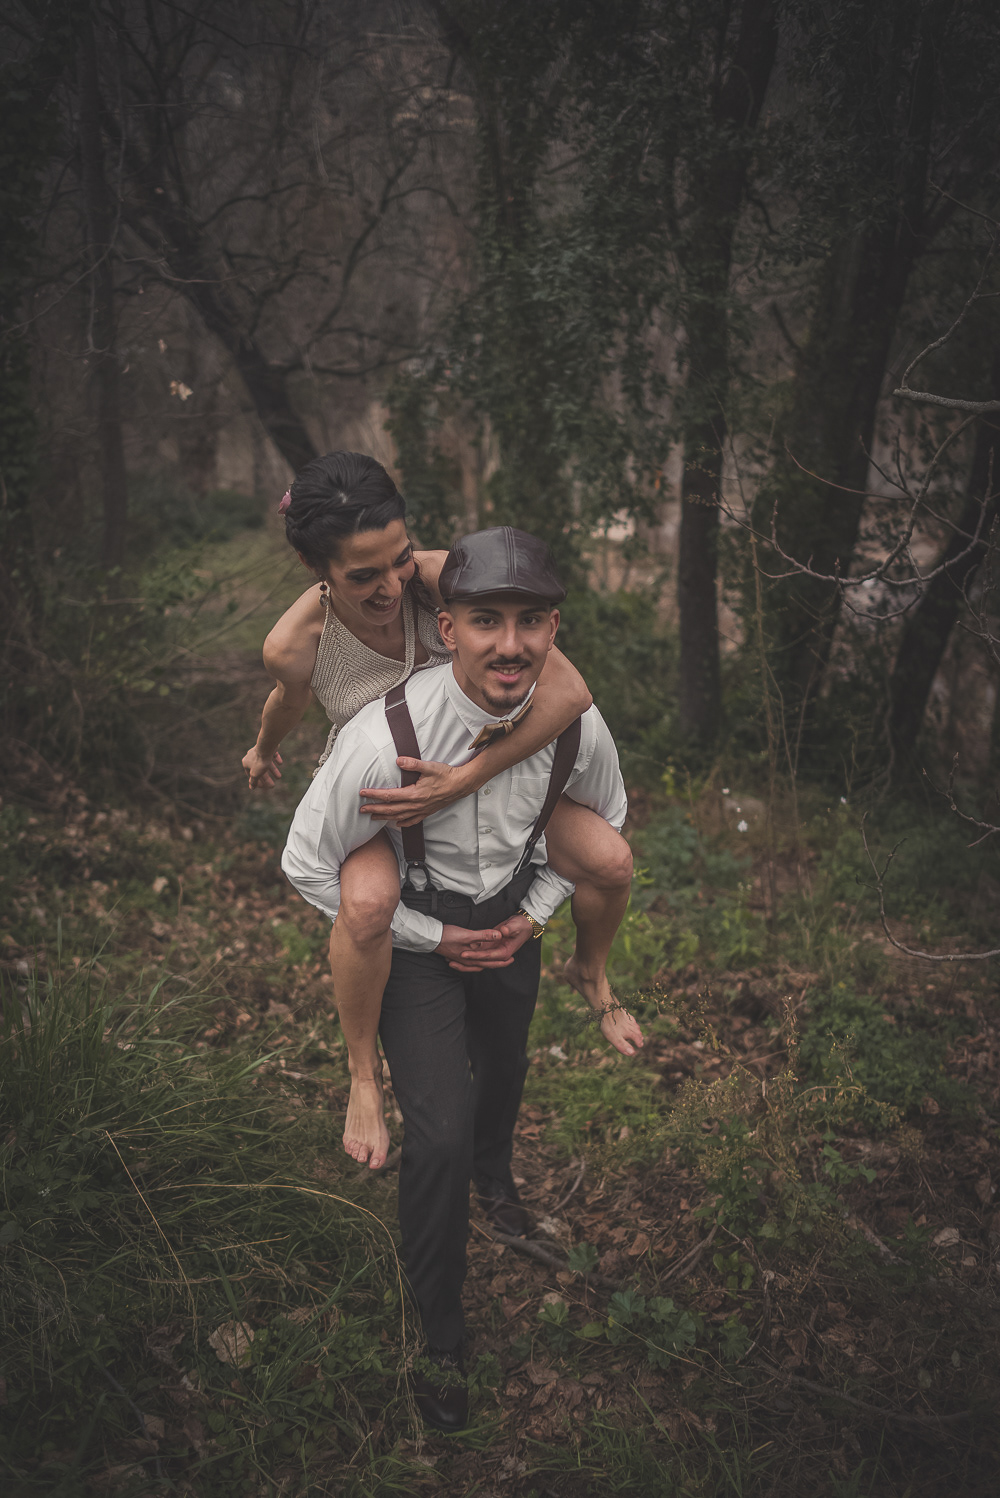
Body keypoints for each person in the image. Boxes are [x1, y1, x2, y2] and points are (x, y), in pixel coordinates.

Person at [282, 526, 637, 1430]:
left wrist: (538, 913)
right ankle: (438, 1330)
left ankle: (497, 1178)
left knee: (506, 1062)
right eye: (486, 621)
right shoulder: (384, 736)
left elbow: (607, 821)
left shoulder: (577, 726)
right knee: (435, 1135)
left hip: (512, 916)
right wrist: (428, 935)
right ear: (448, 629)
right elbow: (306, 865)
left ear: (554, 630)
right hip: (416, 943)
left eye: (530, 622)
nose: (509, 645)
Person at [244, 452, 639, 1171]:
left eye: (399, 558)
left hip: (484, 764)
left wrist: (460, 782)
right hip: (389, 788)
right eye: (363, 576)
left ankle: (592, 972)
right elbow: (287, 701)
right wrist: (264, 748)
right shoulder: (295, 643)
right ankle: (363, 1076)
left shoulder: (438, 578)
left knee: (610, 858)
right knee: (366, 903)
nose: (391, 585)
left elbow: (569, 692)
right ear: (314, 568)